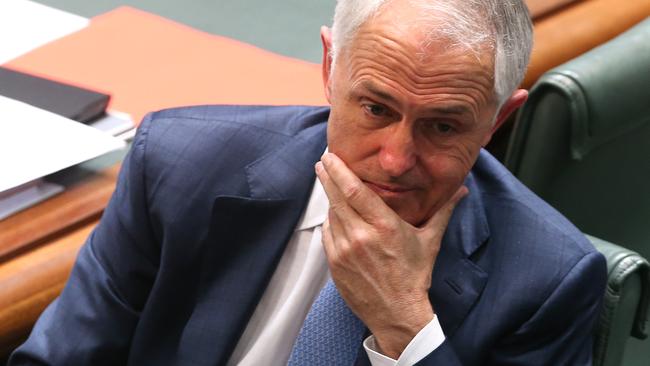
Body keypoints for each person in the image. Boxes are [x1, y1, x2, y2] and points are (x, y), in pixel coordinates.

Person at [10, 0, 606, 365]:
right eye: (375, 109)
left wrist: (405, 326)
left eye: (443, 126)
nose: (396, 159)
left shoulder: (548, 281)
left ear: (499, 120)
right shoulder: (176, 164)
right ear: (328, 68)